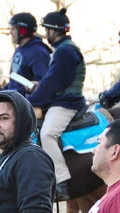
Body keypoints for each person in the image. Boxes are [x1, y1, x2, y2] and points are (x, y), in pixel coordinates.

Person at [28, 7, 86, 201]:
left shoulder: (65, 52)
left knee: (47, 134)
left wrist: (31, 101)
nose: (45, 34)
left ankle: (61, 182)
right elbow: (51, 80)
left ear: (54, 31)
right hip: (59, 100)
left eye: (47, 30)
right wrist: (37, 86)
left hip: (66, 104)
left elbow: (53, 82)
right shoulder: (62, 51)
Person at [3, 12, 51, 97]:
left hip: (27, 104)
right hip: (14, 99)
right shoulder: (19, 49)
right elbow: (15, 81)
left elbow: (42, 83)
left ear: (23, 31)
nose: (10, 32)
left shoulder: (37, 52)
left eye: (13, 29)